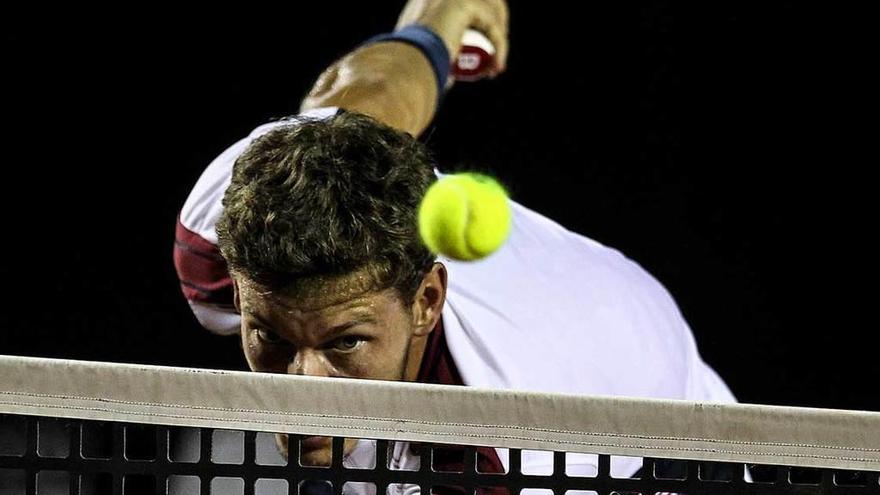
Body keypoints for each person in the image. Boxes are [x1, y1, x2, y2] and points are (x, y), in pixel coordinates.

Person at [173, 0, 736, 485]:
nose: (304, 388)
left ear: (426, 301)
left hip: (676, 454)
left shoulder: (506, 451)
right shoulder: (222, 232)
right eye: (269, 337)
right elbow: (370, 95)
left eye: (344, 343)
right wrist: (434, 25)